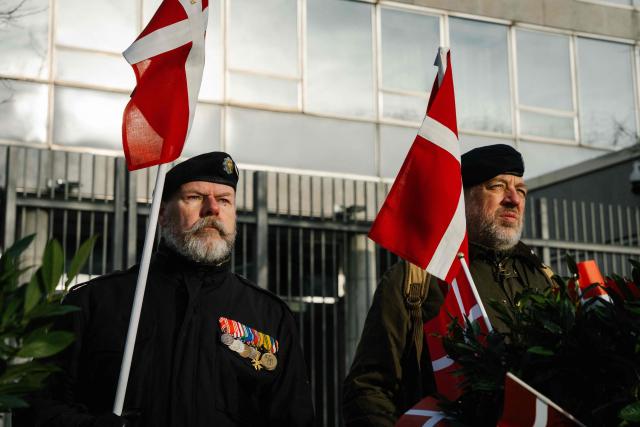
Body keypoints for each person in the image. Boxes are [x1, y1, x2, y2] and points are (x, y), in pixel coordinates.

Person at [28, 152, 315, 427]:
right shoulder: (95, 303)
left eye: (225, 200)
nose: (213, 208)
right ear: (162, 214)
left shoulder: (269, 317)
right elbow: (37, 406)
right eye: (195, 197)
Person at [342, 144, 555, 426]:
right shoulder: (416, 280)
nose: (513, 199)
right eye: (497, 186)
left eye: (521, 190)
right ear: (461, 199)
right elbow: (369, 388)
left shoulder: (544, 279)